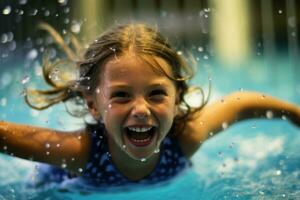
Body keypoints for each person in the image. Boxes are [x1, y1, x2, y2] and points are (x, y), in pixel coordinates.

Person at [0, 23, 299, 191]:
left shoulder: (185, 136)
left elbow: (239, 104)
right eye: (121, 96)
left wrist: (294, 113)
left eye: (156, 93)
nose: (141, 109)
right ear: (93, 105)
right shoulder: (80, 152)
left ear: (177, 97)